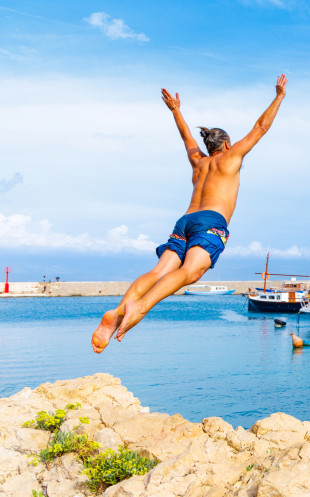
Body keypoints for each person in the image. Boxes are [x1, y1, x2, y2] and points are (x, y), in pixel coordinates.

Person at [91, 74, 289, 353]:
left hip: (184, 221)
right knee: (190, 273)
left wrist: (176, 110)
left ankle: (120, 309)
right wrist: (279, 96)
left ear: (208, 145)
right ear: (228, 145)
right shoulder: (231, 157)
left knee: (159, 270)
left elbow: (186, 137)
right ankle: (139, 308)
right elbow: (261, 127)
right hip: (211, 221)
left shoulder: (198, 161)